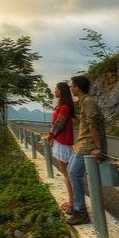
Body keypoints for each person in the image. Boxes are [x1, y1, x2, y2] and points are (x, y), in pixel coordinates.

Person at [65, 75, 108, 226]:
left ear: (77, 87)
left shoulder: (88, 102)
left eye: (71, 86)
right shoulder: (85, 102)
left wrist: (98, 147)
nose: (70, 89)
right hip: (81, 144)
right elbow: (85, 120)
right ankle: (77, 208)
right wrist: (72, 115)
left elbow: (92, 124)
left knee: (73, 174)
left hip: (87, 145)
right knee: (71, 172)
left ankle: (81, 212)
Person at [46, 82, 75, 211]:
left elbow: (59, 124)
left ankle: (71, 202)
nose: (54, 91)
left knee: (67, 173)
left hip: (63, 142)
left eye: (56, 89)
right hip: (60, 141)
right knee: (66, 173)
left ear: (61, 91)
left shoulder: (64, 107)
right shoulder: (62, 106)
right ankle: (71, 200)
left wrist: (49, 136)